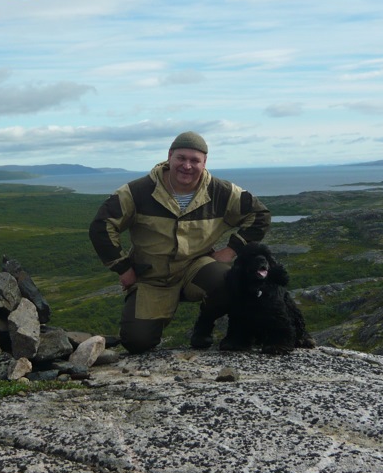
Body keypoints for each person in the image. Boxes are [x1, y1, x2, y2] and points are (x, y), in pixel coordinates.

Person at [88, 131, 272, 353]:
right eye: (181, 158)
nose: (187, 166)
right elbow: (101, 225)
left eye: (195, 160)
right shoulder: (138, 191)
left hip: (196, 268)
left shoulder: (221, 191)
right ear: (169, 157)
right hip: (151, 277)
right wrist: (123, 267)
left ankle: (203, 325)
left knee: (229, 281)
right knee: (138, 343)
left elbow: (259, 215)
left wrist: (232, 250)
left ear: (204, 162)